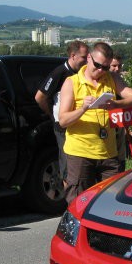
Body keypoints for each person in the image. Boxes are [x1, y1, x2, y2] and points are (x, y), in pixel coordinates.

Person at [58, 42, 132, 203]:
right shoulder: (72, 82)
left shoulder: (111, 78)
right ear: (89, 57)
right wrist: (82, 109)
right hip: (80, 153)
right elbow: (63, 120)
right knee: (80, 203)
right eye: (97, 65)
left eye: (105, 67)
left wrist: (116, 104)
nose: (101, 71)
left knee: (111, 202)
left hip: (108, 153)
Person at [34, 41, 89, 187]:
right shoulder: (59, 73)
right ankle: (68, 203)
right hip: (63, 126)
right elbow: (40, 97)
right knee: (68, 165)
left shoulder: (83, 74)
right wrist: (52, 115)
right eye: (84, 57)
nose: (87, 60)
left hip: (79, 123)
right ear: (73, 56)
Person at [109, 53, 128, 172]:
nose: (117, 69)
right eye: (114, 66)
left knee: (120, 157)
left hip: (119, 126)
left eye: (119, 66)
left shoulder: (121, 83)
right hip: (107, 127)